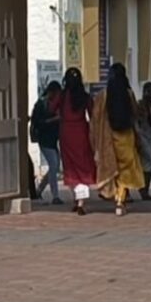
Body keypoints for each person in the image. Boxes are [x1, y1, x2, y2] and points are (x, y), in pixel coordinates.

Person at [91, 62, 145, 216]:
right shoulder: (129, 93)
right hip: (126, 137)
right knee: (125, 171)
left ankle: (115, 195)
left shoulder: (103, 95)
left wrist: (95, 140)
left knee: (112, 169)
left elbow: (95, 119)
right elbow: (135, 113)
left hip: (109, 138)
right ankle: (120, 201)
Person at [59, 67, 96, 216]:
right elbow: (93, 115)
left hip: (66, 133)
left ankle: (76, 198)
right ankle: (81, 202)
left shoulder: (62, 96)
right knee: (83, 165)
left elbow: (51, 108)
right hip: (81, 132)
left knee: (70, 166)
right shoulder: (85, 97)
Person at [31, 81, 63, 205]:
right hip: (44, 139)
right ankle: (55, 195)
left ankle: (39, 189)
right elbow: (38, 122)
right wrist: (54, 119)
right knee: (54, 165)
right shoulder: (41, 104)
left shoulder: (54, 104)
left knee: (54, 167)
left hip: (52, 140)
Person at [136, 81, 151, 200]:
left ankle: (145, 189)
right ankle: (142, 188)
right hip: (142, 135)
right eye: (148, 91)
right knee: (148, 161)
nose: (150, 94)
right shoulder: (139, 105)